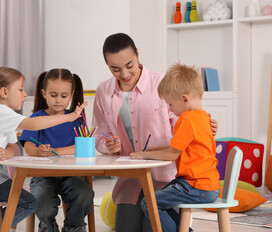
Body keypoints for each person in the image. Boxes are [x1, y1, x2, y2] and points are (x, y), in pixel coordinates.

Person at [92, 33, 218, 232]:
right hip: (129, 179)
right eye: (115, 69)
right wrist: (107, 145)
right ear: (107, 65)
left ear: (138, 55)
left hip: (165, 179)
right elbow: (99, 135)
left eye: (130, 65)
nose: (124, 73)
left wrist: (207, 126)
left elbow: (188, 122)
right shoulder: (103, 92)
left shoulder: (164, 84)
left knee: (153, 226)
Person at [0, 67, 87, 232]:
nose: (25, 94)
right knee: (29, 202)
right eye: (20, 89)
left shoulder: (5, 115)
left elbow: (12, 147)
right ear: (4, 92)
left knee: (26, 199)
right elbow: (33, 124)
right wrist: (69, 117)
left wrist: (6, 153)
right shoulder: (1, 112)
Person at [131, 63, 220, 231]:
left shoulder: (187, 119)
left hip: (196, 185)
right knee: (157, 199)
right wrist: (151, 151)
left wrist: (143, 156)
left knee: (150, 202)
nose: (170, 110)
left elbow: (173, 155)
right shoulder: (203, 117)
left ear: (185, 99)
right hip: (206, 185)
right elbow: (181, 146)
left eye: (170, 104)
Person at [19, 69, 94, 232]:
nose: (58, 100)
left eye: (64, 96)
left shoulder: (75, 118)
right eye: (53, 95)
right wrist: (38, 151)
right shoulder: (36, 118)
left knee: (85, 194)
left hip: (72, 174)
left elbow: (81, 145)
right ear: (44, 93)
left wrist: (57, 150)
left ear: (71, 94)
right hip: (42, 176)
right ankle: (48, 226)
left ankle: (74, 227)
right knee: (41, 199)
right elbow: (28, 146)